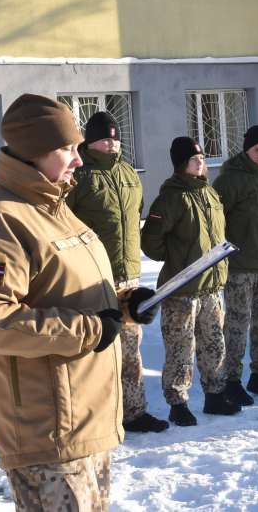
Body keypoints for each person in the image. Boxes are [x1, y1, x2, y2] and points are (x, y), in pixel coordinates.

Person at [0, 94, 157, 512]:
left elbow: (61, 290)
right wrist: (90, 330)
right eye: (67, 149)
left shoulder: (55, 209)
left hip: (85, 420)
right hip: (49, 430)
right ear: (34, 153)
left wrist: (124, 306)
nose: (78, 160)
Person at [67, 111, 168, 434]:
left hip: (129, 274)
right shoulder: (79, 176)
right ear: (90, 141)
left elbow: (135, 215)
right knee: (96, 348)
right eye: (104, 138)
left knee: (130, 348)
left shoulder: (128, 174)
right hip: (94, 276)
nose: (111, 144)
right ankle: (95, 416)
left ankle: (134, 411)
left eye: (115, 138)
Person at [141, 137, 240, 427]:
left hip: (211, 286)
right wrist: (176, 258)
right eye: (194, 159)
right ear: (181, 163)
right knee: (181, 347)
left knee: (213, 343)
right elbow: (152, 242)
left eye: (202, 157)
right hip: (182, 289)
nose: (201, 162)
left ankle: (215, 394)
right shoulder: (171, 198)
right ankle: (178, 402)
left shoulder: (210, 194)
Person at [212, 125, 258, 405]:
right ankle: (231, 379)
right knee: (236, 324)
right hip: (240, 266)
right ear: (247, 149)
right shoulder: (230, 179)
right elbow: (217, 223)